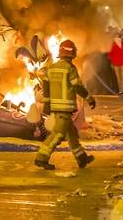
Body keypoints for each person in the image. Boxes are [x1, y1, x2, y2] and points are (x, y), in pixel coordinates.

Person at [34, 39, 96, 170]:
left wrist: (47, 103)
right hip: (65, 108)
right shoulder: (70, 68)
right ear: (73, 54)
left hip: (56, 107)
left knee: (71, 133)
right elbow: (77, 86)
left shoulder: (52, 68)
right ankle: (41, 158)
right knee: (57, 134)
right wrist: (89, 98)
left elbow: (46, 86)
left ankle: (81, 158)